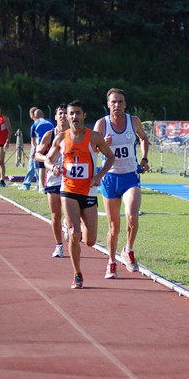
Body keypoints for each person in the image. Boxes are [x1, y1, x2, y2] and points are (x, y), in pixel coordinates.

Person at [45, 100, 114, 289]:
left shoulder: (95, 137)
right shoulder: (60, 138)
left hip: (89, 190)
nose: (74, 117)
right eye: (71, 113)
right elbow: (48, 160)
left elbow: (111, 157)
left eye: (78, 113)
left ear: (84, 115)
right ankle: (77, 274)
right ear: (66, 116)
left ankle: (77, 224)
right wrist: (54, 168)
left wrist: (99, 175)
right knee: (74, 234)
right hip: (68, 190)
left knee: (90, 241)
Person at [94, 88, 149, 279]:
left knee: (132, 217)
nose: (116, 105)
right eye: (113, 102)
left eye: (120, 102)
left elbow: (144, 138)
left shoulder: (133, 121)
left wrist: (144, 159)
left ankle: (128, 249)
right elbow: (91, 148)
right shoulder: (102, 124)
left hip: (130, 177)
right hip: (109, 178)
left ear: (125, 104)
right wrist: (102, 145)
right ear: (108, 104)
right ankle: (111, 262)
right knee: (113, 226)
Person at [35, 104, 69, 258]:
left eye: (65, 113)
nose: (62, 116)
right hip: (54, 178)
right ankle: (59, 245)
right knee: (55, 214)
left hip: (71, 178)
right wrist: (49, 162)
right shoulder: (50, 134)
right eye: (60, 113)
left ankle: (69, 226)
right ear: (55, 117)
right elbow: (37, 154)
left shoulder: (75, 134)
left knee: (70, 212)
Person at [31, 109, 54, 193]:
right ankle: (50, 183)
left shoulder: (34, 124)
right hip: (52, 145)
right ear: (43, 115)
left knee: (41, 167)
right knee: (52, 164)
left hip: (42, 145)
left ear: (34, 116)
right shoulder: (50, 121)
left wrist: (36, 149)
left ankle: (41, 187)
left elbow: (33, 140)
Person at [18, 107, 38, 191]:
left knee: (31, 167)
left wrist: (34, 150)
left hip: (36, 147)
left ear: (32, 115)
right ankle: (38, 185)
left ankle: (26, 185)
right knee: (37, 167)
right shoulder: (42, 123)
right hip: (39, 147)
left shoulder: (35, 125)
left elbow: (34, 140)